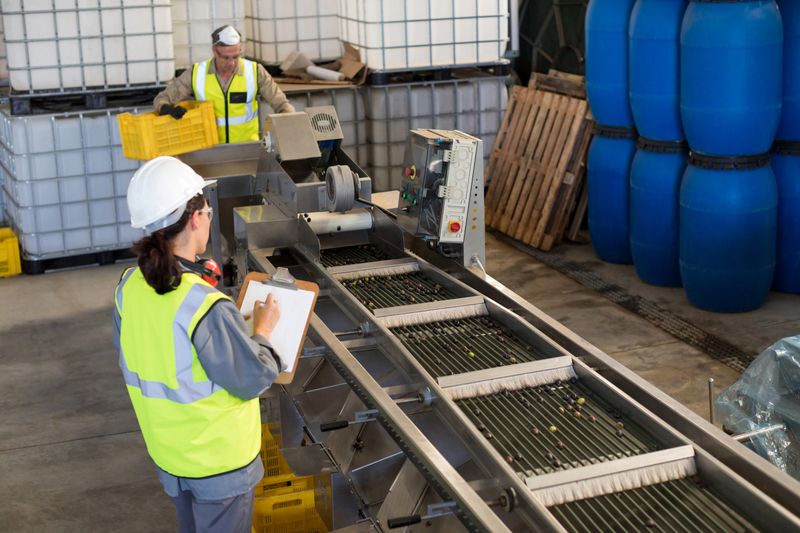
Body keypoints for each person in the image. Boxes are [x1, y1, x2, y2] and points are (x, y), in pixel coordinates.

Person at [113, 156, 285, 533]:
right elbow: (253, 376)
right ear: (195, 219)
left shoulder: (129, 287)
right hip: (218, 463)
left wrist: (225, 329)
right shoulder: (202, 305)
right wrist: (262, 330)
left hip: (171, 455)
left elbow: (164, 349)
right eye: (207, 211)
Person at [153, 25, 295, 144]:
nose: (231, 63)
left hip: (247, 151)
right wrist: (167, 109)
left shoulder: (255, 71)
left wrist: (292, 129)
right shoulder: (196, 73)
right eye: (225, 58)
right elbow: (161, 99)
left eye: (235, 56)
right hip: (209, 152)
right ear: (214, 51)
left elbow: (282, 104)